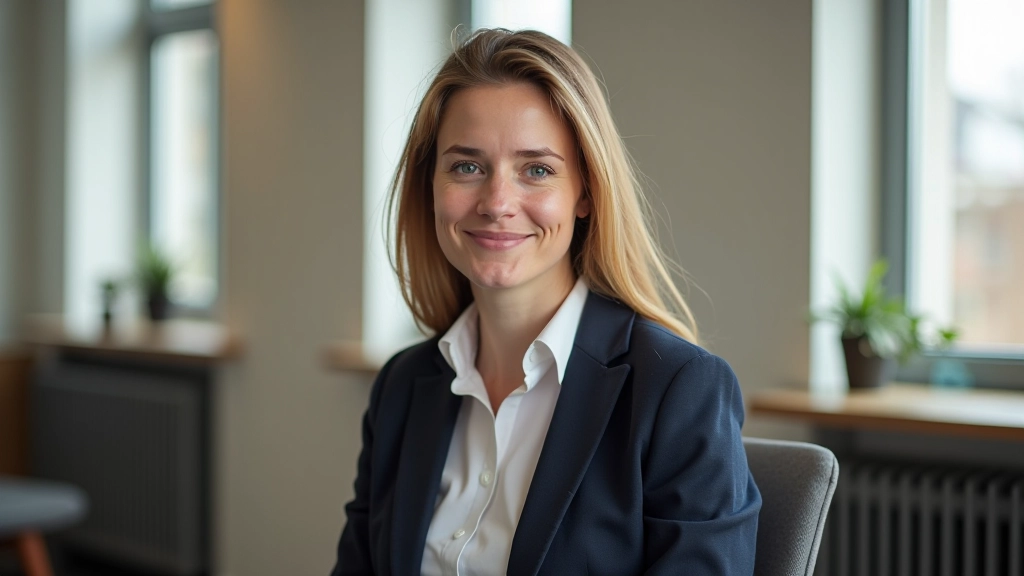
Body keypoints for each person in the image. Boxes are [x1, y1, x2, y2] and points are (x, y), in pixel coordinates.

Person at [330, 28, 760, 576]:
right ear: (429, 185)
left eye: (537, 170)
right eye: (467, 166)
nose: (497, 203)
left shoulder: (678, 391)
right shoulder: (402, 387)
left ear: (584, 192)